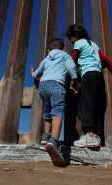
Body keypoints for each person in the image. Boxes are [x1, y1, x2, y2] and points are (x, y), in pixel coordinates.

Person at [66, 24, 112, 148]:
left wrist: (71, 77)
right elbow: (105, 58)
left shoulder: (78, 43)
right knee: (98, 107)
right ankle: (98, 138)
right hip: (99, 76)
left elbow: (72, 59)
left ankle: (89, 135)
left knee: (86, 104)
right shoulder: (93, 44)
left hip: (88, 75)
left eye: (71, 38)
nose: (71, 41)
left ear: (75, 36)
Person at [31, 38, 78, 166]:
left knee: (47, 110)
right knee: (57, 111)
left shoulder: (46, 59)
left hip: (43, 86)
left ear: (48, 50)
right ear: (63, 48)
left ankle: (46, 136)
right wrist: (74, 80)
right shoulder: (65, 55)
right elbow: (71, 68)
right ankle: (54, 141)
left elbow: (38, 72)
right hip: (57, 85)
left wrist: (33, 74)